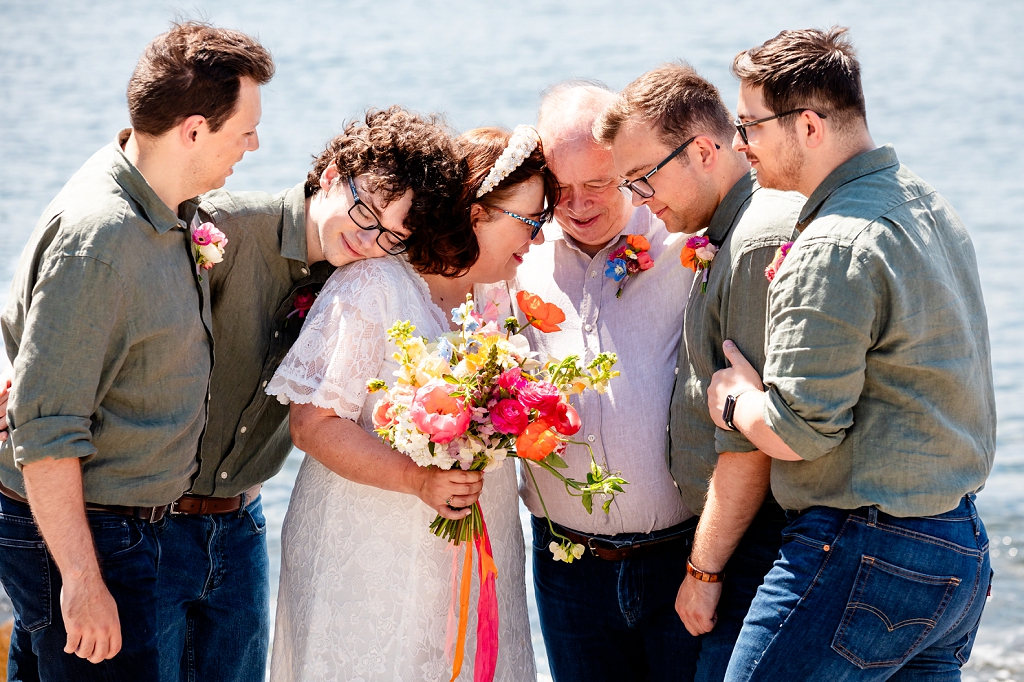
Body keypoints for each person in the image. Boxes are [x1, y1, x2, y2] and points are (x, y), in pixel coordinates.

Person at [707, 27, 995, 681]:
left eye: (749, 124)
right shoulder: (928, 204)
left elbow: (799, 429)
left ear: (807, 126)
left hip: (862, 550)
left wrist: (734, 401)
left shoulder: (834, 240)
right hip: (957, 548)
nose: (740, 144)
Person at [0, 22, 273, 681]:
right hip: (88, 534)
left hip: (125, 528)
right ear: (194, 131)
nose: (255, 145)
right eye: (245, 130)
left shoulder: (167, 202)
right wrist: (82, 582)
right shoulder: (100, 239)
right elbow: (47, 429)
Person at [156, 106, 464, 682]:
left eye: (392, 234)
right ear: (331, 175)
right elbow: (118, 308)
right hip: (151, 526)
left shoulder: (359, 278)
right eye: (367, 212)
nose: (370, 239)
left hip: (241, 526)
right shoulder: (221, 228)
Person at [265, 124, 557, 681]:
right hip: (371, 550)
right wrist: (418, 480)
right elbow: (312, 423)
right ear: (477, 214)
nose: (540, 237)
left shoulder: (501, 294)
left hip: (478, 543)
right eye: (531, 220)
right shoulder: (374, 283)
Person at [593, 64, 802, 680]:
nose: (639, 201)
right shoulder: (727, 230)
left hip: (757, 546)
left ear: (704, 150)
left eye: (642, 178)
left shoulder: (756, 238)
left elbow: (753, 436)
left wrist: (704, 572)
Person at [516, 81, 697, 682]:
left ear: (627, 163)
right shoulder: (518, 259)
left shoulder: (686, 244)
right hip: (568, 566)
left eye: (596, 184)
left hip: (686, 559)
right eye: (559, 189)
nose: (576, 205)